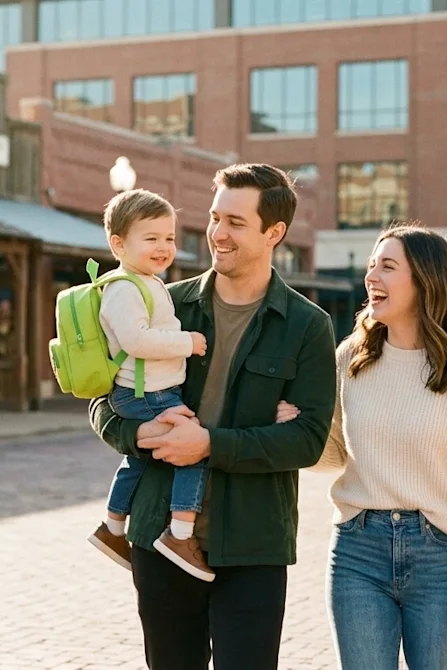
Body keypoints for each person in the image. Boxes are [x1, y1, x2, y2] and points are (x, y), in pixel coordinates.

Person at [89, 163, 337, 670]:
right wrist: (141, 433)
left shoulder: (308, 326)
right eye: (214, 217)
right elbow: (102, 400)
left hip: (254, 544)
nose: (218, 234)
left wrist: (210, 445)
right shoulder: (164, 304)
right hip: (159, 537)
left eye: (236, 223)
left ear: (275, 233)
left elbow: (308, 440)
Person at [312, 225, 447, 670]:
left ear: (424, 280)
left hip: (441, 559)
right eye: (370, 266)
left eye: (387, 266)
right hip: (358, 551)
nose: (371, 276)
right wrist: (298, 424)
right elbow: (334, 455)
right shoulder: (351, 358)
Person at [86, 189, 214, 581]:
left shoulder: (146, 281)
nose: (163, 247)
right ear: (118, 244)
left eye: (170, 238)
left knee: (138, 459)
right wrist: (187, 342)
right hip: (146, 393)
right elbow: (136, 341)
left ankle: (112, 527)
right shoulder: (124, 288)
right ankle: (179, 534)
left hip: (150, 390)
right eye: (151, 238)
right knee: (194, 450)